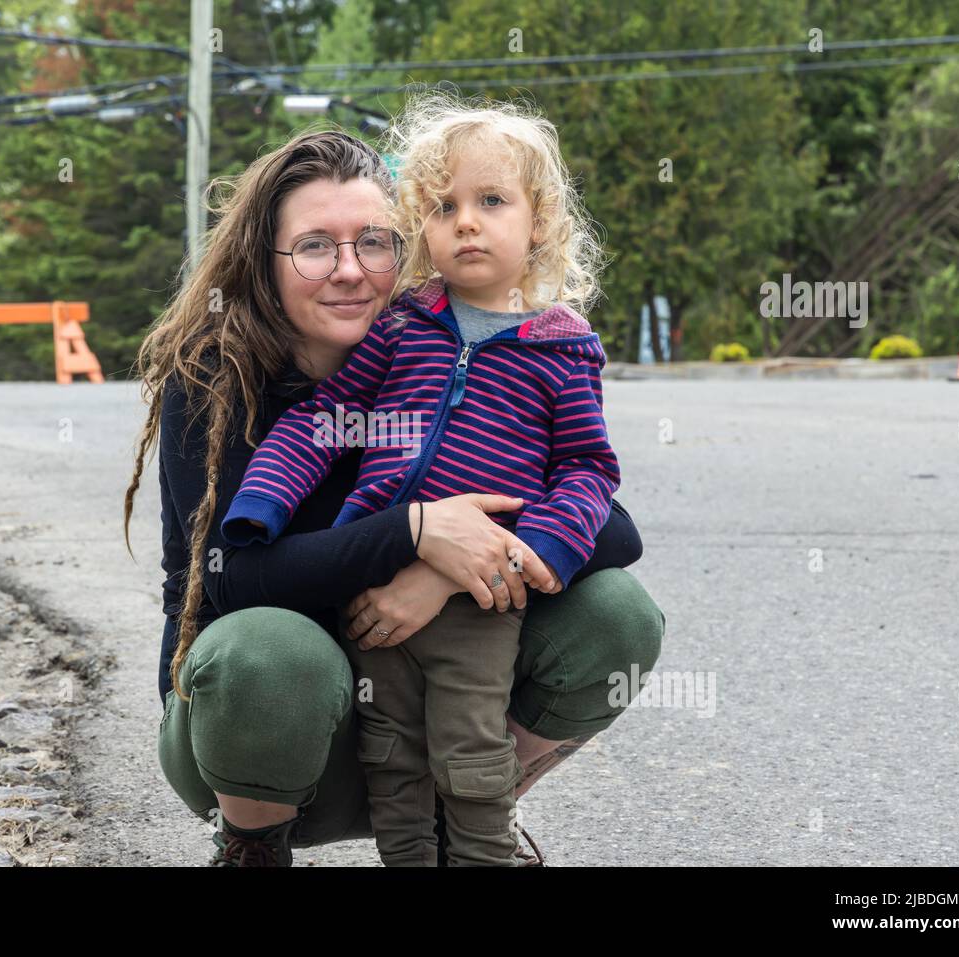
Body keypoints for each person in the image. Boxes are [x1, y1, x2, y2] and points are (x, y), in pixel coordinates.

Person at [124, 126, 665, 866]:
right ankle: (253, 842)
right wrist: (413, 531)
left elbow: (609, 520)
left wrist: (442, 571)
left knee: (616, 613)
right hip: (267, 736)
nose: (349, 269)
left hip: (440, 720)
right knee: (269, 653)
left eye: (373, 242)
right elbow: (231, 575)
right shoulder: (216, 381)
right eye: (315, 246)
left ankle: (472, 820)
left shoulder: (452, 353)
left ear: (403, 246)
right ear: (266, 258)